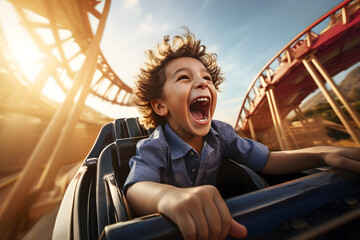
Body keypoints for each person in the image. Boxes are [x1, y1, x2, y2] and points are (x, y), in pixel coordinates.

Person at [123, 28, 360, 240]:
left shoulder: (221, 134)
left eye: (206, 78)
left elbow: (267, 160)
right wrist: (167, 198)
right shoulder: (155, 146)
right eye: (184, 77)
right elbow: (136, 189)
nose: (202, 83)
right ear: (160, 106)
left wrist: (319, 154)